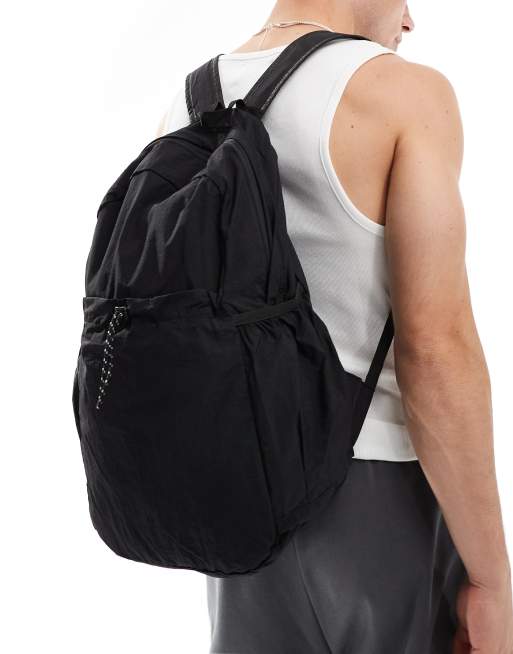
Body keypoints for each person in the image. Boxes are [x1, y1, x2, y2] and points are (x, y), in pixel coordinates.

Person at [157, 1, 513, 652]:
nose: (409, 21)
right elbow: (436, 350)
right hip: (375, 499)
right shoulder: (402, 94)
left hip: (238, 505)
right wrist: (492, 580)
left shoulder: (187, 102)